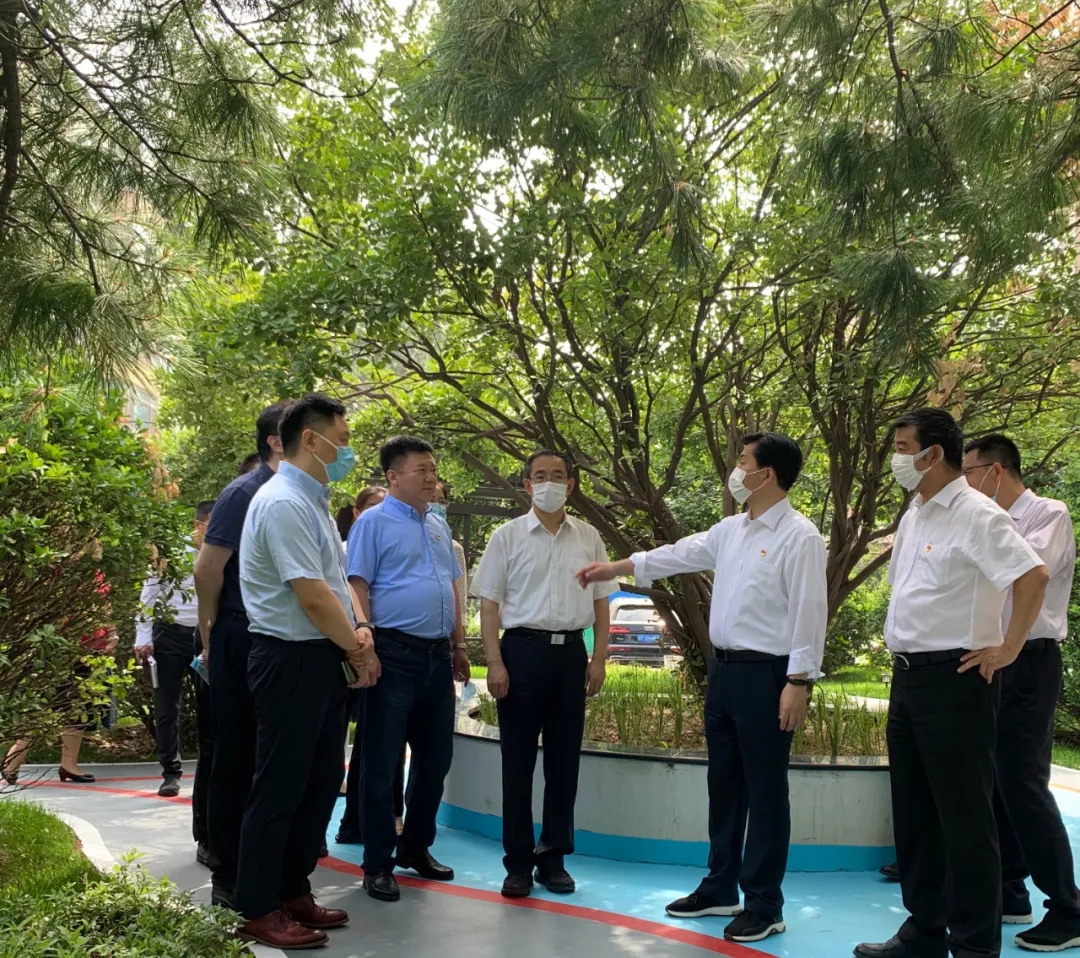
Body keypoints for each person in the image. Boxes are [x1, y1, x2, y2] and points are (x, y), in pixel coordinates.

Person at [578, 432, 827, 944]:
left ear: (767, 474)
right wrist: (616, 567)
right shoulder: (732, 529)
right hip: (725, 672)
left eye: (743, 462)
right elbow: (678, 554)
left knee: (765, 792)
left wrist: (798, 681)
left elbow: (809, 613)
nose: (736, 470)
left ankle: (764, 904)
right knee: (724, 785)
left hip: (769, 675)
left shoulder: (800, 536)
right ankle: (720, 887)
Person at [854, 409, 1049, 958]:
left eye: (902, 448)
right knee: (915, 815)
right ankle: (924, 930)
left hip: (957, 680)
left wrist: (1009, 647)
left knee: (965, 821)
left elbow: (1033, 575)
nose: (895, 459)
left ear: (933, 454)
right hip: (908, 678)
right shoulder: (916, 514)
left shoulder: (978, 515)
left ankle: (974, 946)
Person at [232, 394, 378, 950]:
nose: (347, 450)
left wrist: (359, 630)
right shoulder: (283, 502)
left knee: (317, 783)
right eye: (342, 440)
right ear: (310, 440)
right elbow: (312, 596)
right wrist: (357, 651)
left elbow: (336, 584)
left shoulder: (313, 499)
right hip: (289, 657)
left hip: (320, 656)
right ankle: (256, 906)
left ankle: (293, 890)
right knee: (279, 787)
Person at [473, 450, 614, 899]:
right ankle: (517, 863)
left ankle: (553, 860)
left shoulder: (588, 537)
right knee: (517, 763)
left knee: (563, 763)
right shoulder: (507, 537)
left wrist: (598, 659)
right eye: (540, 475)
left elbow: (601, 604)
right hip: (521, 654)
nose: (549, 482)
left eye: (558, 475)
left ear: (570, 485)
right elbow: (489, 606)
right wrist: (495, 661)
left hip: (571, 655)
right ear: (527, 484)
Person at [962, 434, 1080, 951]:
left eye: (969, 472)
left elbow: (1024, 572)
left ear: (996, 471)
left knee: (1023, 781)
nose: (964, 483)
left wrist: (981, 526)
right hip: (991, 657)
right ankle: (1010, 890)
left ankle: (1069, 908)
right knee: (991, 778)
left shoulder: (1047, 513)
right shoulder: (981, 517)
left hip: (1029, 658)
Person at [347, 435, 470, 903]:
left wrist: (458, 644)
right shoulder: (373, 523)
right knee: (381, 764)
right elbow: (356, 584)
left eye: (433, 469)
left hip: (437, 656)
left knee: (436, 759)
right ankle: (378, 862)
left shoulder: (437, 524)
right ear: (393, 476)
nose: (431, 477)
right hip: (393, 654)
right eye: (422, 470)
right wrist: (365, 640)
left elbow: (450, 587)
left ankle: (415, 846)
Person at [193, 400, 291, 909]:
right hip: (241, 636)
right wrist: (211, 637)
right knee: (235, 759)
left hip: (283, 643)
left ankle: (274, 877)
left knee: (274, 764)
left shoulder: (300, 495)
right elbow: (208, 569)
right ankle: (228, 876)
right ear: (278, 440)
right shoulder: (243, 493)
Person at [134, 500, 215, 866]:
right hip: (169, 634)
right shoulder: (171, 552)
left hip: (204, 636)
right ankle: (171, 771)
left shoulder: (222, 550)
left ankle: (207, 771)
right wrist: (143, 636)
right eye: (210, 524)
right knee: (168, 704)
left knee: (208, 704)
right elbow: (148, 593)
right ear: (198, 524)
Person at [4, 569, 118, 785]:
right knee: (43, 707)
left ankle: (69, 765)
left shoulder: (96, 571)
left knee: (79, 709)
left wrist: (112, 635)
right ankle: (12, 760)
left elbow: (105, 605)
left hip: (92, 651)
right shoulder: (56, 569)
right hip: (60, 651)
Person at [336, 485, 403, 845]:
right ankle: (345, 825)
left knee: (374, 742)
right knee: (337, 738)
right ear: (358, 513)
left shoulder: (402, 541)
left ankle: (374, 821)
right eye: (375, 506)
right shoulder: (346, 550)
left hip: (376, 651)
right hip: (346, 649)